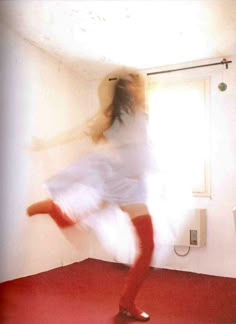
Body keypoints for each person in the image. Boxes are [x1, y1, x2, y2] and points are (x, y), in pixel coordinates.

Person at [27, 71, 155, 322]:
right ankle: (127, 304)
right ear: (127, 91)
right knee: (148, 245)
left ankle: (55, 209)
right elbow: (77, 132)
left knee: (87, 226)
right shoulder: (111, 115)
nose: (142, 88)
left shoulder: (141, 112)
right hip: (123, 183)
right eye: (136, 85)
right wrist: (45, 143)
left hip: (133, 183)